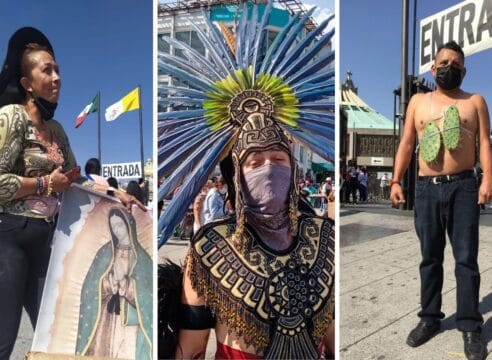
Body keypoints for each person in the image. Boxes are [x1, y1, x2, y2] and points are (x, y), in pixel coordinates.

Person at [0, 27, 142, 358]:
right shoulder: (10, 118)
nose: (57, 77)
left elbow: (74, 179)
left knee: (55, 337)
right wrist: (45, 184)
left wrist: (114, 192)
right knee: (4, 338)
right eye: (47, 70)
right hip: (8, 238)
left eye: (58, 70)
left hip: (46, 242)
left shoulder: (57, 131)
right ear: (27, 83)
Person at [177, 117, 335, 358]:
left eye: (279, 160)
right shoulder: (209, 246)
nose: (270, 169)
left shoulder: (324, 236)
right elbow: (191, 349)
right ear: (237, 176)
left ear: (292, 169)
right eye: (255, 163)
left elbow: (330, 331)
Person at [390, 41, 491, 360]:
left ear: (464, 70)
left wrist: (488, 179)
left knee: (466, 259)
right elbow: (407, 142)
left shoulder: (475, 101)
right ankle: (430, 318)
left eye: (457, 63)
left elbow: (485, 143)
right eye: (445, 62)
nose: (451, 67)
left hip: (463, 186)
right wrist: (395, 179)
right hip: (426, 188)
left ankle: (470, 325)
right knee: (430, 258)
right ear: (433, 69)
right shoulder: (418, 102)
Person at [76, 207, 152, 359]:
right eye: (113, 226)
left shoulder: (141, 257)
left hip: (130, 321)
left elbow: (147, 292)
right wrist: (107, 284)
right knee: (103, 349)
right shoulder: (105, 252)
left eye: (120, 225)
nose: (116, 230)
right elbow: (89, 286)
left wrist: (127, 286)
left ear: (129, 225)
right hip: (107, 317)